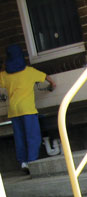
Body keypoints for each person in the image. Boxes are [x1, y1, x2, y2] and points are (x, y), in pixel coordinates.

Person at [0, 44, 55, 173]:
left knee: (20, 137)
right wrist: (52, 84)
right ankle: (32, 161)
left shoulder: (4, 75)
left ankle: (23, 162)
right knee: (32, 136)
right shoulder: (29, 71)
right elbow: (46, 77)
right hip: (28, 110)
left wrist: (4, 67)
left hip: (14, 110)